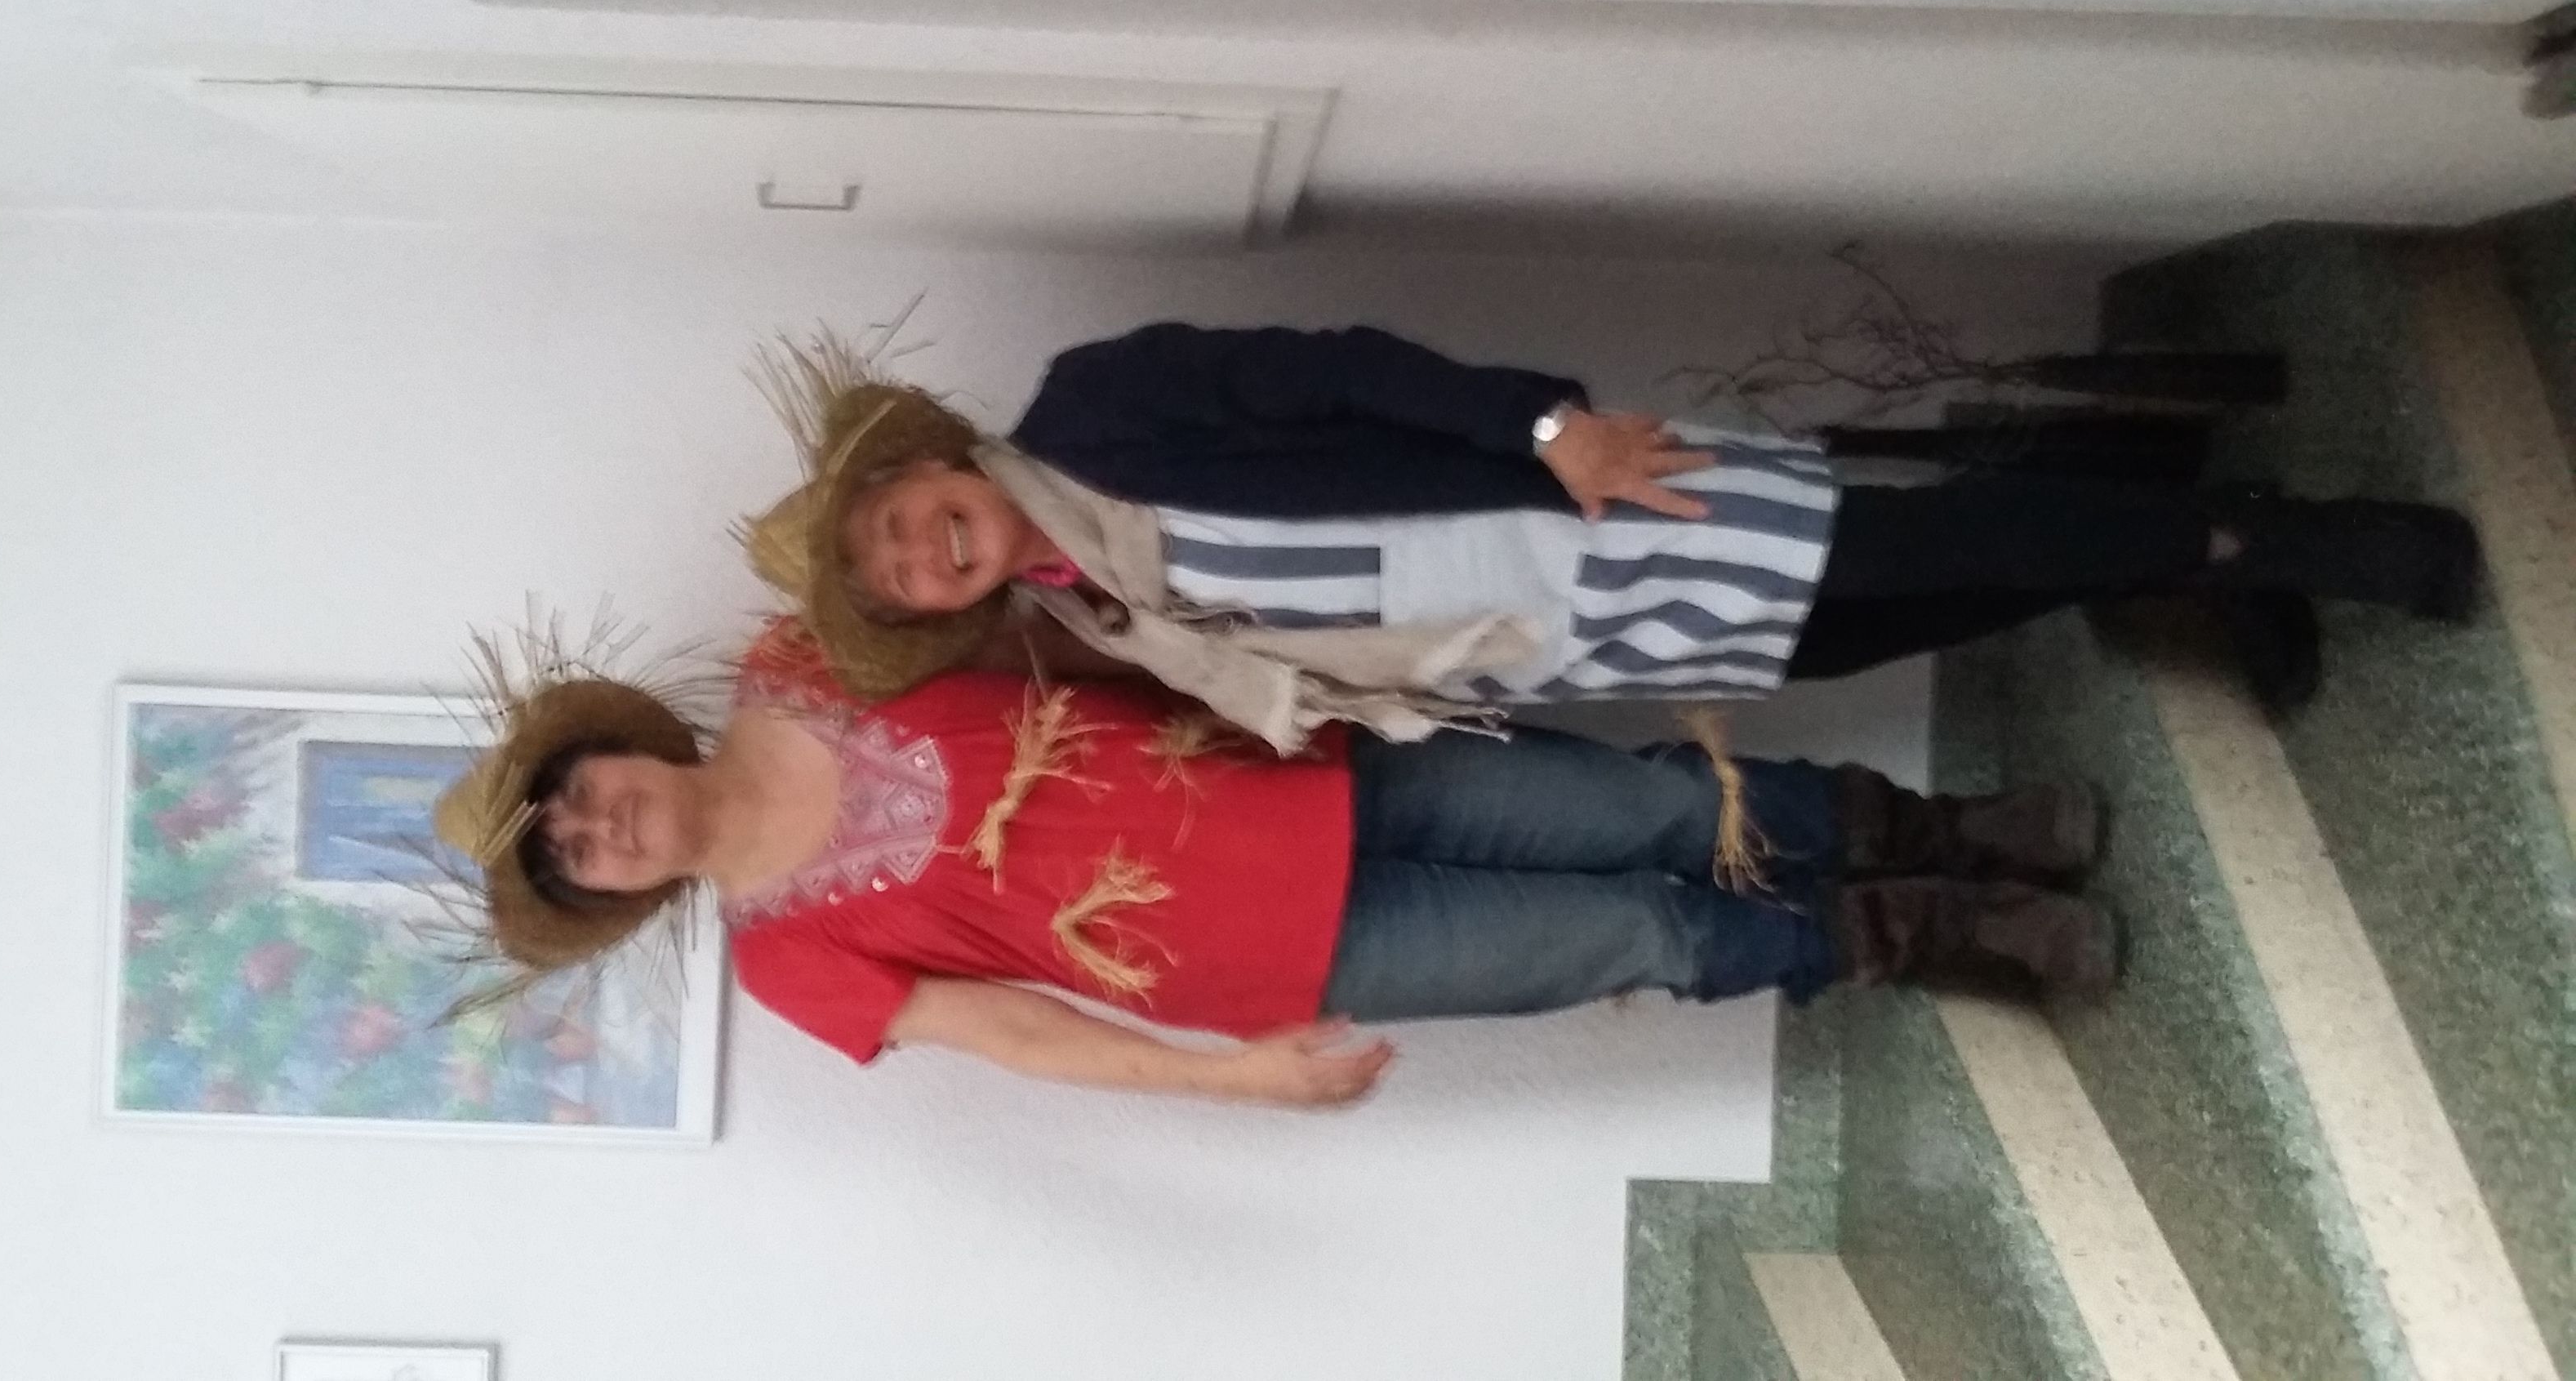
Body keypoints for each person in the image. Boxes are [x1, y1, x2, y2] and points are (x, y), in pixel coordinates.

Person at [434, 616, 2120, 1107]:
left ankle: (1959, 830)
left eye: (571, 796)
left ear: (609, 746)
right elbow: (1012, 1030)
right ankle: (1952, 928)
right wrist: (1226, 1078)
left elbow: (1056, 623)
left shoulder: (800, 655)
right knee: (1647, 937)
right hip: (1295, 956)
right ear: (611, 897)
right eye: (572, 857)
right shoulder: (788, 961)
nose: (596, 826)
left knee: (1657, 811)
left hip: (1318, 759)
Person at [738, 322, 2480, 743]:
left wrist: (1548, 428)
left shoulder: (1097, 406)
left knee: (1923, 545)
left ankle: (2300, 542)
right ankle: (2199, 536)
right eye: (893, 574)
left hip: (1577, 515)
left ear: (926, 460)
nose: (919, 554)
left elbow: (1341, 370)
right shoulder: (1090, 620)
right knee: (1886, 620)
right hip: (1563, 643)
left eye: (898, 520)